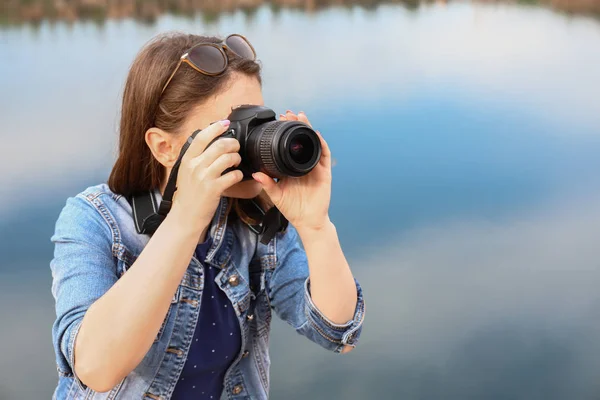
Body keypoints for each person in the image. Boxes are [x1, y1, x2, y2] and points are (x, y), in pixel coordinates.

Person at [50, 32, 365, 400]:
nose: (254, 143)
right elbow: (96, 368)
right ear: (164, 147)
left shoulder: (255, 220)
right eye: (234, 130)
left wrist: (315, 227)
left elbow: (337, 333)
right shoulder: (94, 221)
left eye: (260, 122)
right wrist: (185, 221)